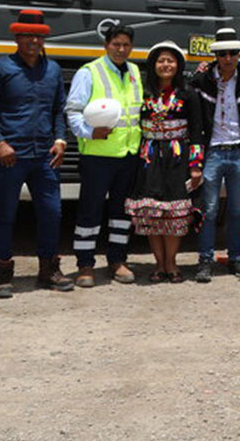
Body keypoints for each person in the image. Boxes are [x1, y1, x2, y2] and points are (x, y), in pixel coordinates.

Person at [0, 9, 73, 298]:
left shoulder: (53, 70)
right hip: (11, 156)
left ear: (44, 39)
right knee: (5, 213)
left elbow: (59, 109)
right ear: (16, 37)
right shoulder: (0, 69)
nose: (32, 41)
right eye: (27, 36)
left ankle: (49, 270)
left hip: (45, 155)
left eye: (38, 36)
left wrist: (60, 139)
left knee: (52, 212)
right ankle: (3, 274)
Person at [65, 23, 144, 287]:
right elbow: (73, 111)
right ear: (106, 45)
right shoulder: (89, 72)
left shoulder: (134, 71)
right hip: (98, 156)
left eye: (126, 45)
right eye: (116, 44)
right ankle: (85, 265)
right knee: (90, 211)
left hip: (128, 154)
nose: (121, 49)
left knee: (122, 212)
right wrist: (88, 132)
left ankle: (117, 260)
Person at [125, 41, 206, 282]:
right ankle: (158, 264)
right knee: (153, 213)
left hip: (177, 158)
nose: (166, 65)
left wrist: (196, 164)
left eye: (170, 61)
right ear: (153, 65)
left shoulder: (187, 94)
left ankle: (172, 263)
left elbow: (198, 130)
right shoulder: (144, 92)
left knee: (175, 214)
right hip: (149, 158)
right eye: (161, 60)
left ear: (178, 65)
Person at [190, 27, 240, 282]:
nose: (228, 58)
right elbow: (195, 121)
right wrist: (195, 160)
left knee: (238, 210)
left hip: (239, 150)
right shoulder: (201, 81)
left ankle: (236, 259)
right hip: (213, 152)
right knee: (209, 208)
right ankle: (205, 260)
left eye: (233, 53)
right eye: (222, 54)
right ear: (215, 56)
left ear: (239, 55)